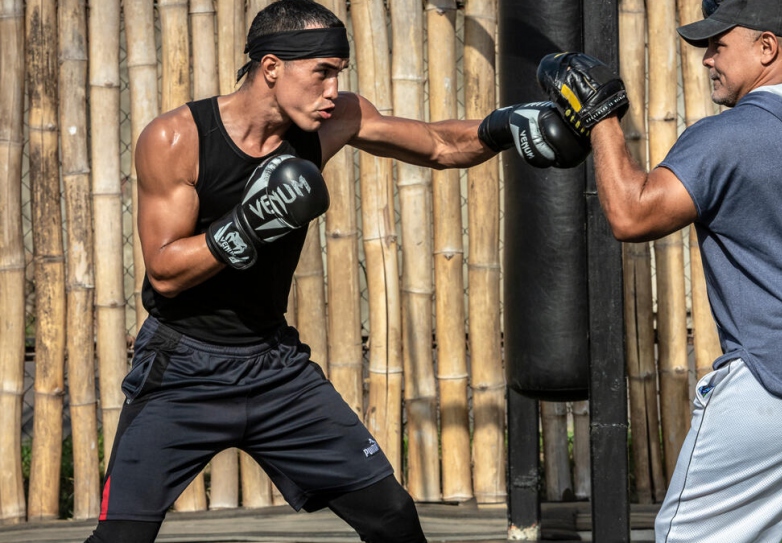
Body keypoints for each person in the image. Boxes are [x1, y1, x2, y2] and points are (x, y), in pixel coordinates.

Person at [83, 1, 588, 542]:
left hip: (274, 367)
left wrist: (506, 126)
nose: (332, 91)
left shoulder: (332, 120)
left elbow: (439, 146)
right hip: (182, 368)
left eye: (338, 74)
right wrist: (249, 223)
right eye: (321, 73)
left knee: (392, 517)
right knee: (121, 539)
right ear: (271, 67)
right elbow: (163, 271)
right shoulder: (177, 139)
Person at [537, 0, 782, 541]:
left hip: (780, 375)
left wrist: (601, 117)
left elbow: (631, 213)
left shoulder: (728, 136)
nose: (707, 61)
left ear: (766, 48)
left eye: (719, 46)